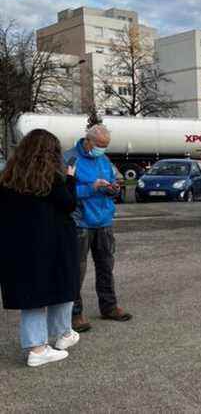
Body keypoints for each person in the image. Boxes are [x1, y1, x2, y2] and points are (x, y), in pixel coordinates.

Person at [0, 129, 81, 367]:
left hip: (19, 248)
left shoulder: (8, 179)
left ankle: (39, 345)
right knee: (64, 287)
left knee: (32, 298)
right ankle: (57, 338)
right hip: (53, 246)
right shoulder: (52, 179)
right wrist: (71, 178)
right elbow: (68, 204)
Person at [64, 123, 132, 333]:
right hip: (80, 222)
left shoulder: (104, 159)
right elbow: (65, 192)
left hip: (104, 221)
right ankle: (75, 314)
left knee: (106, 267)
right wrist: (91, 188)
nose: (102, 149)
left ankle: (109, 306)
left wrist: (113, 189)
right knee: (77, 270)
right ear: (88, 141)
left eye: (106, 145)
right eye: (100, 145)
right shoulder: (70, 159)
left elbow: (113, 180)